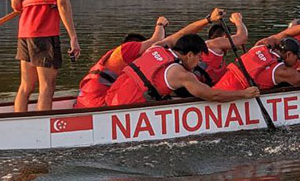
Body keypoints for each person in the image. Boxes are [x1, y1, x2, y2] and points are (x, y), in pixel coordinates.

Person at [75, 8, 226, 108]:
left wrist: (208, 20)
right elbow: (157, 40)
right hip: (97, 102)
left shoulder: (117, 56)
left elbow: (178, 36)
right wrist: (160, 24)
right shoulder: (129, 49)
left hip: (85, 97)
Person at [103, 35, 260, 108]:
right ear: (190, 54)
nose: (200, 62)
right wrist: (244, 94)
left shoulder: (157, 47)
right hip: (125, 108)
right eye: (199, 57)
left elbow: (178, 35)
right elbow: (213, 95)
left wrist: (207, 20)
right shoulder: (180, 74)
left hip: (111, 98)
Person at [213, 37, 300, 91]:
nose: (297, 62)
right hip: (227, 96)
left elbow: (273, 39)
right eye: (296, 57)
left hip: (219, 87)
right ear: (289, 54)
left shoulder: (259, 47)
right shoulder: (281, 71)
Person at [197, 12, 248, 85]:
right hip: (199, 87)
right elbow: (242, 37)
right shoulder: (214, 43)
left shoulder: (216, 52)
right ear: (225, 37)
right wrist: (238, 21)